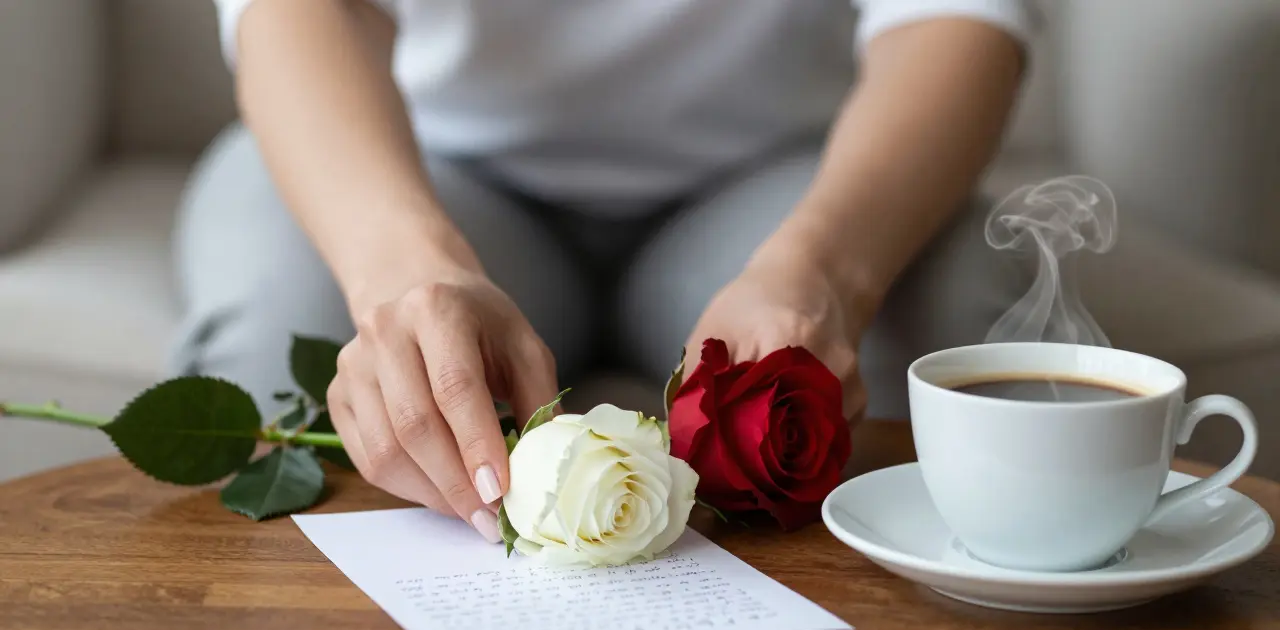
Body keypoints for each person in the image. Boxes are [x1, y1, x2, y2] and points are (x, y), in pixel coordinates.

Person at [175, 0, 1036, 543]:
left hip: (774, 178)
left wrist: (824, 272)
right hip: (430, 162)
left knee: (916, 373)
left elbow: (954, 18)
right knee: (273, 374)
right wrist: (400, 273)